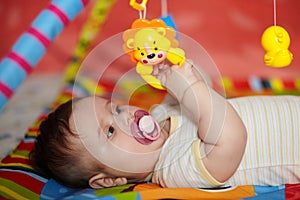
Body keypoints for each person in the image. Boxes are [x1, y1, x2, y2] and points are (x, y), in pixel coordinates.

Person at [30, 60, 300, 189]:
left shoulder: (161, 115)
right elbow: (231, 137)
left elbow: (205, 87)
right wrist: (189, 89)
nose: (125, 118)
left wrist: (173, 69)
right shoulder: (174, 169)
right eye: (110, 131)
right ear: (112, 179)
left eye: (116, 108)